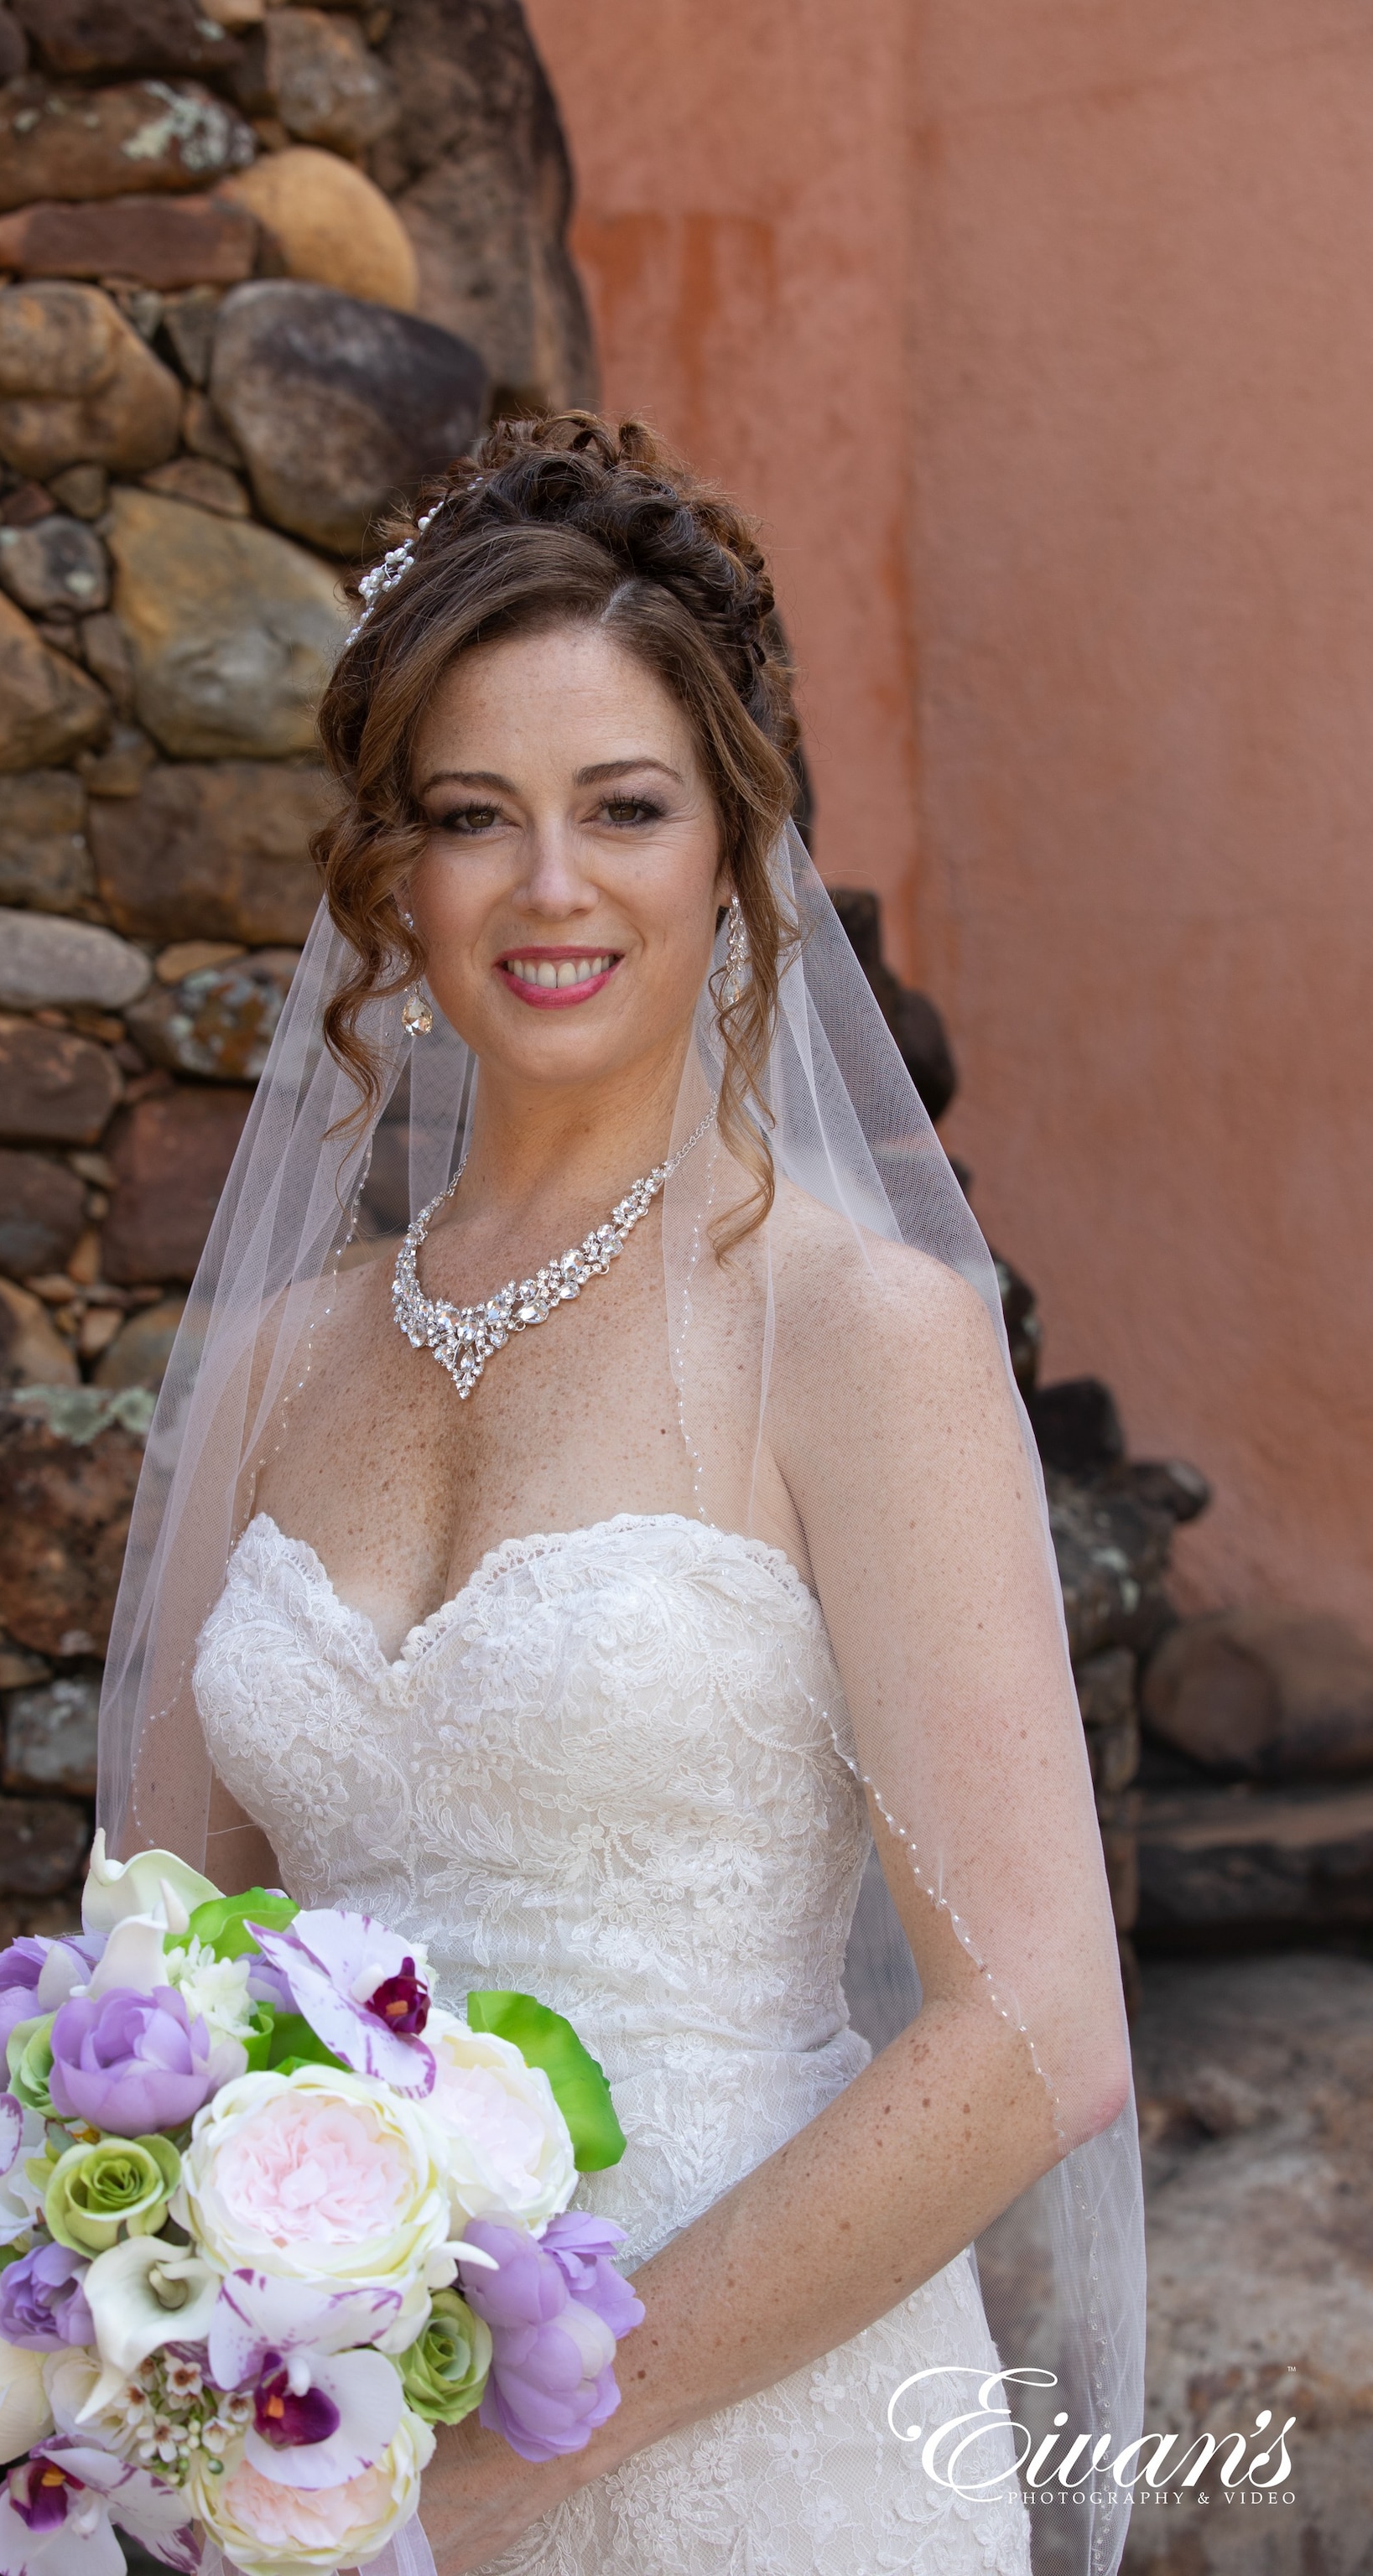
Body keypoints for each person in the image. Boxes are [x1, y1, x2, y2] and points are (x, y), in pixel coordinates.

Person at [99, 415, 1144, 2575]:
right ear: (393, 874)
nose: (551, 886)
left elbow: (1038, 2029)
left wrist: (525, 2463)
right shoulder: (282, 1361)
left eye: (626, 809)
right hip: (330, 2476)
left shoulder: (858, 1334)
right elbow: (151, 1968)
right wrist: (147, 2339)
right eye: (476, 818)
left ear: (732, 851)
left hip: (759, 2450)